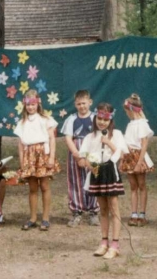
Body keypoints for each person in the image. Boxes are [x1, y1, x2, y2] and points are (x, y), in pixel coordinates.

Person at [78, 103, 128, 259]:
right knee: (103, 209)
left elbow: (121, 154)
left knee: (114, 207)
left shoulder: (117, 134)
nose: (102, 122)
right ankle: (104, 242)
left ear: (110, 120)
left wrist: (109, 143)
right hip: (96, 172)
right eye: (99, 118)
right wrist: (88, 164)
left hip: (110, 171)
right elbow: (82, 158)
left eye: (105, 120)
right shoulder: (89, 136)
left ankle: (115, 244)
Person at [14, 89, 60, 231]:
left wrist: (51, 157)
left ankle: (45, 218)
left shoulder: (46, 120)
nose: (31, 107)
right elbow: (21, 145)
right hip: (29, 156)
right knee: (32, 188)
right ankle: (33, 218)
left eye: (33, 104)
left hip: (43, 155)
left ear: (38, 104)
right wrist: (22, 163)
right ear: (24, 105)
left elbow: (52, 139)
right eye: (28, 105)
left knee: (44, 186)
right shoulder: (22, 122)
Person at [61, 90, 100, 227]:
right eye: (79, 104)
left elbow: (98, 137)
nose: (82, 106)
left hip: (92, 152)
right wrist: (77, 155)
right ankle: (76, 211)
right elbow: (68, 138)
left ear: (90, 102)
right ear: (75, 104)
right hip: (76, 152)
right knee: (76, 182)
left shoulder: (96, 118)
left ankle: (93, 211)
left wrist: (90, 157)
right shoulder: (71, 119)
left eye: (84, 103)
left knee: (93, 181)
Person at [120, 93, 154, 226]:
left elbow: (144, 144)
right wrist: (122, 159)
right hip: (129, 156)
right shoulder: (130, 124)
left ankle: (142, 214)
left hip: (138, 156)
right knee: (133, 186)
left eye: (126, 110)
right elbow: (126, 143)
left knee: (141, 185)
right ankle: (134, 214)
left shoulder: (142, 124)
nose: (126, 113)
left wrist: (140, 162)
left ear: (131, 109)